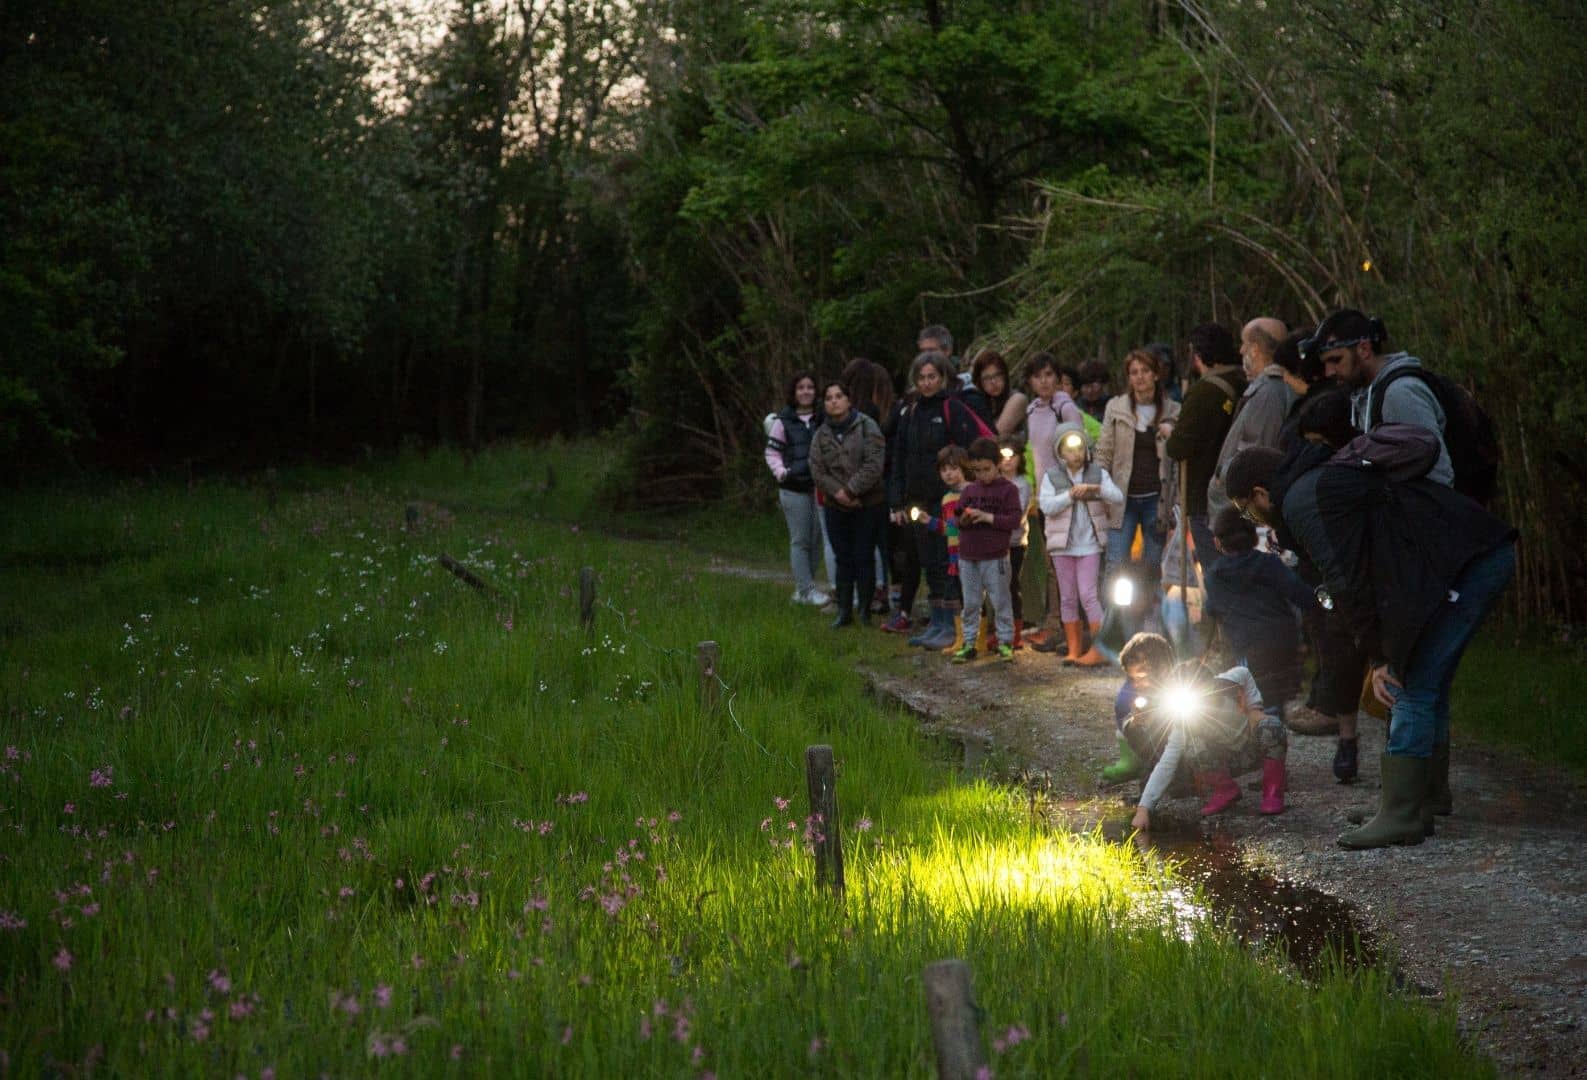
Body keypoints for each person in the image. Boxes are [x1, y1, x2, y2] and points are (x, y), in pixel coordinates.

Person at [1225, 428, 1517, 849]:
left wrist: (1379, 658)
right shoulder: (1314, 483)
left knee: (1411, 679)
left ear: (1260, 492)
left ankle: (1401, 814)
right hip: (1463, 557)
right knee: (1426, 681)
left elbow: (1348, 582)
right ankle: (1422, 798)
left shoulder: (1305, 500)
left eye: (1247, 510)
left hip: (1467, 562)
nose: (1252, 520)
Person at [1202, 507, 1315, 814]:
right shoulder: (1268, 564)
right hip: (1281, 642)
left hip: (1246, 647)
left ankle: (1268, 782)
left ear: (1218, 542)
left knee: (1259, 707)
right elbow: (1298, 593)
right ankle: (1274, 786)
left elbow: (1212, 612)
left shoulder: (1214, 576)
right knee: (1274, 706)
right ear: (1254, 537)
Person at [888, 356, 983, 648]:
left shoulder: (952, 408)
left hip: (949, 499)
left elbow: (970, 449)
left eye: (932, 376)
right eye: (922, 377)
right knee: (928, 563)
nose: (927, 382)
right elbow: (898, 457)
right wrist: (897, 501)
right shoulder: (910, 412)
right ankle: (937, 622)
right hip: (917, 501)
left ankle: (953, 627)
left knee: (948, 563)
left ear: (942, 377)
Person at [1128, 658, 1286, 831]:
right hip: (1229, 761)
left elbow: (1245, 672)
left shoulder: (1228, 681)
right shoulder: (1185, 721)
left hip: (1255, 747)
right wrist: (1144, 809)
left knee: (1272, 726)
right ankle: (1226, 790)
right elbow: (1166, 763)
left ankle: (1272, 792)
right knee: (1191, 747)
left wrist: (1255, 708)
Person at [1312, 309, 1453, 487]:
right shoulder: (1366, 394)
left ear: (1364, 349)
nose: (1328, 372)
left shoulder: (1399, 394)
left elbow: (1438, 477)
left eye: (1336, 360)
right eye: (1325, 363)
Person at [1038, 421, 1123, 667]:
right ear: (1060, 452)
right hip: (1062, 546)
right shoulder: (1052, 477)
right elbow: (1046, 506)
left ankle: (1100, 648)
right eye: (1069, 449)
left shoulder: (1097, 473)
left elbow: (1117, 497)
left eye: (1079, 448)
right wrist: (1069, 495)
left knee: (1088, 595)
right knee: (1067, 597)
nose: (1075, 454)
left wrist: (1096, 489)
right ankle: (1074, 649)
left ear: (1086, 449)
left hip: (1089, 545)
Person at [1017, 352, 1087, 651]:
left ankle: (1079, 628)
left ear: (1058, 378)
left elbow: (1082, 449)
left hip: (1068, 494)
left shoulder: (1066, 409)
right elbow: (1036, 456)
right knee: (1051, 563)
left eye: (1049, 375)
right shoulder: (1033, 410)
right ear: (1030, 381)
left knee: (1072, 560)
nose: (1043, 381)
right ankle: (1060, 624)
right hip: (1045, 496)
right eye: (1037, 376)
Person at [1163, 324, 1246, 571]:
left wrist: (1170, 433)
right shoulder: (1243, 382)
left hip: (1204, 493)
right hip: (1238, 488)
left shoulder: (1204, 390)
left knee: (1216, 567)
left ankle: (1222, 608)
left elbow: (1179, 447)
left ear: (1197, 355)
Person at [1096, 348, 1181, 583]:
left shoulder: (1173, 410)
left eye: (1145, 371)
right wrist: (1102, 485)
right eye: (1134, 372)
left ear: (1156, 374)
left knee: (1153, 564)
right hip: (1122, 497)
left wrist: (1177, 501)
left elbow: (1178, 462)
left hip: (1158, 497)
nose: (1140, 377)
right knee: (1116, 561)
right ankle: (1115, 618)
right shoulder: (1116, 407)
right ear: (1128, 377)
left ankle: (1149, 615)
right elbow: (1104, 450)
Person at [809, 380, 888, 629]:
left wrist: (852, 490)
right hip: (835, 506)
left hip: (867, 504)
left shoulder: (867, 426)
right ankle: (844, 612)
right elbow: (817, 469)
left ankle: (865, 610)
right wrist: (838, 493)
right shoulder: (821, 434)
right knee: (843, 558)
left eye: (839, 396)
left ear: (849, 400)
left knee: (864, 555)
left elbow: (874, 463)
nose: (834, 401)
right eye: (829, 397)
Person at [1206, 317, 1294, 520]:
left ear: (1255, 348)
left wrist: (1246, 519)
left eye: (1244, 344)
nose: (1241, 351)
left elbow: (1253, 462)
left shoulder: (1269, 393)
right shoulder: (1267, 389)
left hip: (1244, 516)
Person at [949, 439, 1023, 663]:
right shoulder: (970, 490)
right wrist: (964, 518)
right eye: (977, 470)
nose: (982, 475)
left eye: (986, 469)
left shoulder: (1008, 490)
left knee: (1000, 599)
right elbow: (957, 519)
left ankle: (1005, 642)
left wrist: (988, 517)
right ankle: (969, 642)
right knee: (971, 602)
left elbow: (1014, 519)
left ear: (998, 464)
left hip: (996, 555)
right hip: (968, 554)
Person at [765, 371, 831, 605]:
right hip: (794, 489)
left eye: (810, 387)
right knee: (800, 539)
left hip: (820, 488)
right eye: (801, 388)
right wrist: (783, 472)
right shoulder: (782, 422)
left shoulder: (823, 419)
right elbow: (772, 453)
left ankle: (805, 587)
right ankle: (806, 589)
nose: (806, 392)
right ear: (794, 393)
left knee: (816, 540)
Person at [841, 358, 897, 616]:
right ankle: (878, 592)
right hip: (871, 486)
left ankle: (879, 592)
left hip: (876, 487)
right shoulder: (876, 416)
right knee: (873, 545)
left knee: (876, 545)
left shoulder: (872, 418)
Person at [914, 444, 970, 650]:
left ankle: (968, 636)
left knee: (968, 596)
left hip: (971, 554)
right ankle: (955, 635)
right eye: (944, 470)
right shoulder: (947, 498)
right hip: (954, 555)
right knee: (953, 592)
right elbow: (951, 530)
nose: (948, 473)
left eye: (953, 468)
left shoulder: (972, 492)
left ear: (964, 468)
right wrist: (929, 521)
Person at [1101, 632, 1176, 784]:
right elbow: (1126, 725)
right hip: (1155, 750)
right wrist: (1136, 722)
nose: (1136, 684)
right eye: (1132, 678)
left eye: (1141, 677)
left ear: (1164, 668)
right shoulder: (1130, 696)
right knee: (1131, 725)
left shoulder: (1178, 682)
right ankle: (1145, 766)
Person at [999, 438, 1032, 649]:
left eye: (1012, 456)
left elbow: (1017, 515)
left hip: (1015, 542)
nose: (1008, 461)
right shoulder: (995, 483)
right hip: (995, 543)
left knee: (1011, 587)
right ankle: (1002, 631)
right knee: (997, 588)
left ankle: (1015, 634)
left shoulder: (1023, 484)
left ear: (1020, 458)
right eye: (1003, 457)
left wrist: (992, 519)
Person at [961, 350, 1014, 431]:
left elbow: (995, 436)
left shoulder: (1016, 398)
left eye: (998, 375)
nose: (993, 382)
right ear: (979, 381)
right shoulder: (978, 402)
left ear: (1005, 375)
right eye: (986, 378)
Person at [1076, 358, 1111, 426]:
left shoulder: (1112, 405)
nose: (1089, 391)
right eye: (1085, 386)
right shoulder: (1075, 406)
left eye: (1094, 386)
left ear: (1103, 384)